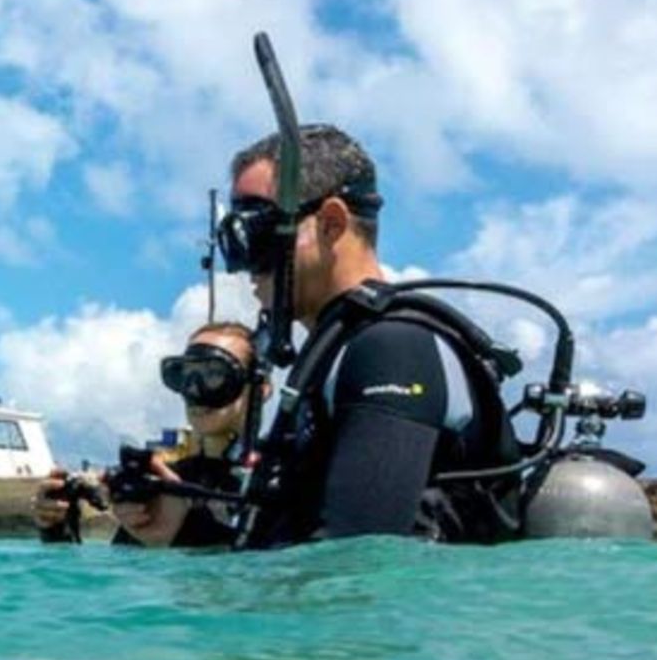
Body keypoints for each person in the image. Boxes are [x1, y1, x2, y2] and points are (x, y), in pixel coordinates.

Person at [219, 124, 521, 547]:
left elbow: (355, 565)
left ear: (330, 223)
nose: (242, 263)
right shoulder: (333, 357)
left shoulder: (392, 350)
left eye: (258, 234)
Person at [33, 320, 264, 549]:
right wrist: (57, 527)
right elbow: (120, 573)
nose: (194, 389)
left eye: (214, 373)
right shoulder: (163, 484)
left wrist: (182, 530)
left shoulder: (280, 480)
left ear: (261, 389)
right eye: (185, 375)